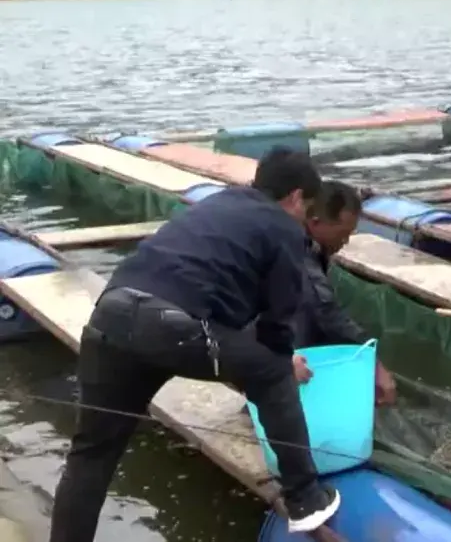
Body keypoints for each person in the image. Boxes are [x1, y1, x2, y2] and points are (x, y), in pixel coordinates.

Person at [50, 147, 339, 542]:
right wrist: (281, 363)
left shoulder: (218, 203)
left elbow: (207, 289)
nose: (305, 219)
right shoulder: (284, 227)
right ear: (295, 198)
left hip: (111, 317)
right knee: (273, 371)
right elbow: (277, 326)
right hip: (173, 326)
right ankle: (306, 500)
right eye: (307, 209)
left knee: (91, 456)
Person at [294, 179, 396, 406]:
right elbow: (326, 311)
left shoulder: (310, 246)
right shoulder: (296, 250)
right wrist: (372, 358)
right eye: (342, 233)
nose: (346, 241)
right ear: (316, 222)